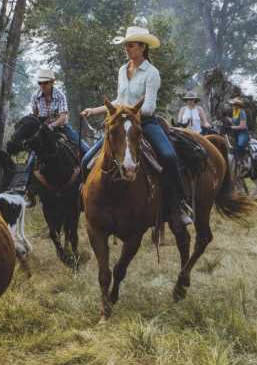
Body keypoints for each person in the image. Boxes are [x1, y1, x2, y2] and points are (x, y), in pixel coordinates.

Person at [79, 26, 193, 225]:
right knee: (87, 159)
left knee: (168, 156)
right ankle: (85, 200)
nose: (126, 49)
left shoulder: (152, 73)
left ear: (142, 47)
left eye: (130, 45)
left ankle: (178, 204)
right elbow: (118, 99)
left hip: (144, 122)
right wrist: (95, 110)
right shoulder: (123, 70)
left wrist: (126, 112)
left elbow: (148, 107)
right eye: (126, 45)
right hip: (121, 121)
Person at [20, 69, 88, 191]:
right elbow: (35, 116)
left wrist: (51, 126)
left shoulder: (60, 95)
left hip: (60, 126)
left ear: (52, 82)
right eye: (40, 83)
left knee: (83, 147)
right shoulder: (35, 96)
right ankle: (27, 187)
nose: (42, 86)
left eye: (45, 83)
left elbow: (63, 117)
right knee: (32, 156)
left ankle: (88, 180)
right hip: (42, 129)